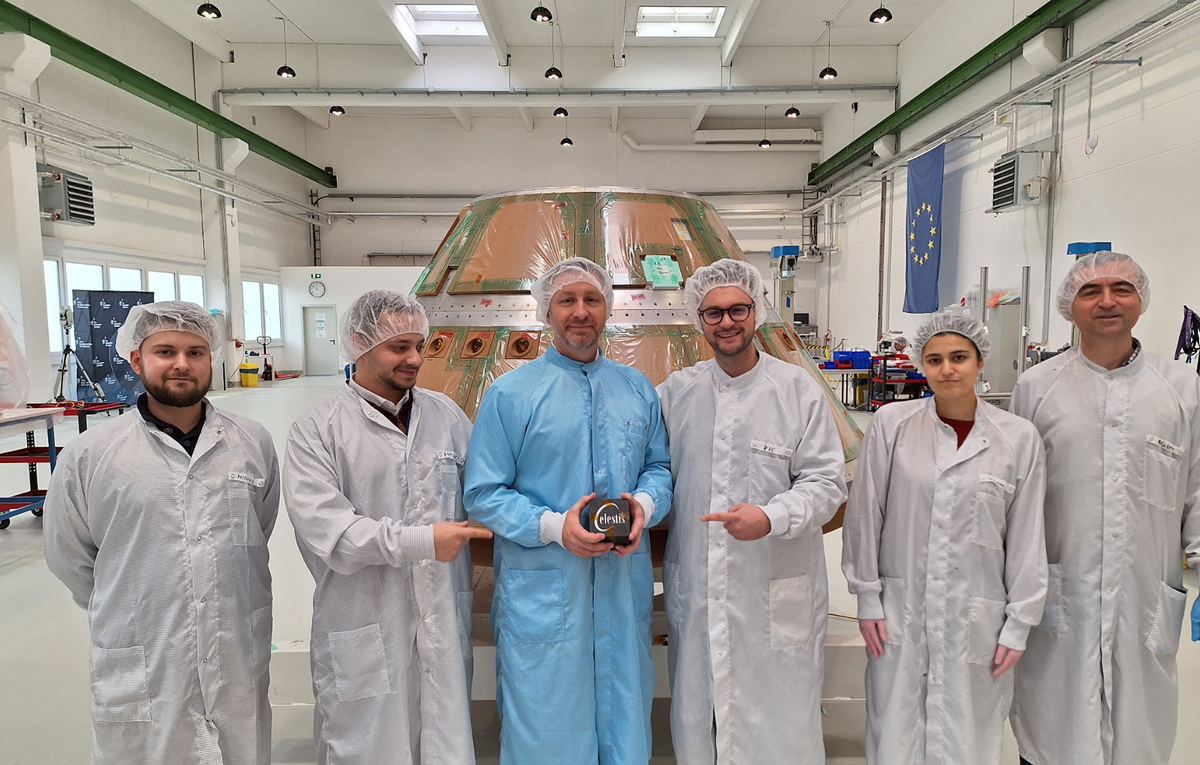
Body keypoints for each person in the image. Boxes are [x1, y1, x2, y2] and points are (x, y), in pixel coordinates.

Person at [44, 301, 279, 765]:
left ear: (212, 358)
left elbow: (259, 529)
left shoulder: (252, 442)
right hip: (143, 653)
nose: (181, 364)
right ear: (137, 360)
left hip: (234, 645)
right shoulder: (91, 454)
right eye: (165, 351)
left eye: (195, 352)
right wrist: (130, 599)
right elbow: (68, 555)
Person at [464, 258, 672, 765]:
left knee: (625, 733)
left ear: (608, 309)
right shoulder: (511, 395)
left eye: (592, 299)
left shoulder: (637, 389)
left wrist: (644, 505)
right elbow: (483, 492)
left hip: (620, 591)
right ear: (546, 311)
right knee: (548, 734)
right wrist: (556, 528)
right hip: (545, 596)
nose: (580, 312)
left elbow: (659, 468)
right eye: (567, 300)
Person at [284, 290, 490, 765]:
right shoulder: (318, 430)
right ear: (359, 343)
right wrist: (424, 541)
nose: (415, 359)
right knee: (367, 745)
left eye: (419, 345)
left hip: (440, 616)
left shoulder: (446, 415)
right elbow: (332, 533)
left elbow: (484, 492)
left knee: (444, 741)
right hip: (363, 618)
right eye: (399, 347)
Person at [1010, 252, 1200, 765]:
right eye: (1090, 291)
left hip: (1146, 592)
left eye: (1122, 289)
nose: (1107, 301)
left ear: (1141, 301)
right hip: (1060, 589)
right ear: (1069, 307)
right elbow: (1016, 494)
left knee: (1138, 735)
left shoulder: (1180, 387)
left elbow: (1197, 486)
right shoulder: (1037, 387)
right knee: (1054, 728)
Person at [656, 259, 847, 765]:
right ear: (699, 320)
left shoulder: (796, 390)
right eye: (713, 313)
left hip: (772, 585)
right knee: (698, 718)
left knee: (780, 720)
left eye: (737, 309)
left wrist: (771, 517)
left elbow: (826, 483)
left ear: (757, 311)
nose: (727, 322)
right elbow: (644, 464)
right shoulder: (677, 393)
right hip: (699, 587)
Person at [841, 312, 1047, 765]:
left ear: (980, 361)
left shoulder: (1018, 438)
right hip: (900, 610)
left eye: (959, 357)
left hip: (977, 617)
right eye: (935, 360)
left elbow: (1027, 536)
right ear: (921, 364)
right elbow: (865, 514)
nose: (947, 369)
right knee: (895, 733)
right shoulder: (892, 424)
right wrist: (867, 597)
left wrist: (1019, 622)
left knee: (968, 736)